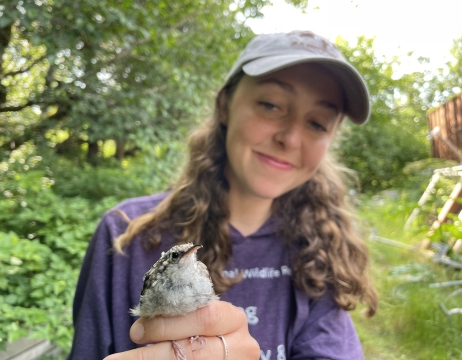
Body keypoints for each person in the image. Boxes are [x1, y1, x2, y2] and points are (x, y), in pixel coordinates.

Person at [68, 30, 378, 360]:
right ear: (225, 106)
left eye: (317, 123)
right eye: (271, 105)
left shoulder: (321, 248)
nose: (290, 138)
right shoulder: (126, 232)